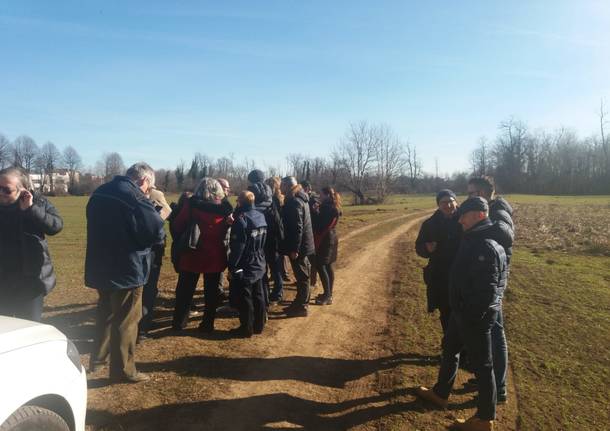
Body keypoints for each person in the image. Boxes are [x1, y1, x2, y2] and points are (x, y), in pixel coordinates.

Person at [416, 197, 508, 431]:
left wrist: (471, 317)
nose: (460, 221)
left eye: (463, 216)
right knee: (450, 349)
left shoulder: (485, 244)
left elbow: (487, 290)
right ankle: (441, 393)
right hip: (461, 311)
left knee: (483, 366)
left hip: (474, 317)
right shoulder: (473, 237)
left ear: (478, 215)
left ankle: (485, 419)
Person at [85, 163, 164, 383]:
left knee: (105, 314)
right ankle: (124, 370)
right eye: (150, 186)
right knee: (127, 320)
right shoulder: (136, 198)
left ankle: (97, 360)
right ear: (144, 181)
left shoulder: (100, 192)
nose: (148, 191)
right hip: (127, 267)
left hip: (100, 264)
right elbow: (156, 232)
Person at [467, 175, 514, 404]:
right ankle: (488, 379)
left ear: (486, 192)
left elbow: (506, 234)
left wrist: (477, 231)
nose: (471, 197)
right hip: (486, 276)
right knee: (490, 330)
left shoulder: (498, 209)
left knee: (495, 332)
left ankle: (500, 388)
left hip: (494, 280)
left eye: (474, 193)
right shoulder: (486, 209)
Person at [0, 167, 63, 322]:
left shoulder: (39, 203)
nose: (0, 193)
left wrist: (31, 209)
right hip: (3, 281)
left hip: (30, 281)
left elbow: (56, 226)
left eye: (6, 190)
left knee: (29, 327)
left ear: (24, 190)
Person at [171, 177, 233, 333]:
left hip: (192, 253)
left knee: (185, 292)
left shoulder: (191, 205)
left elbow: (178, 225)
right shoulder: (225, 209)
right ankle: (208, 323)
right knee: (211, 294)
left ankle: (179, 323)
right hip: (215, 254)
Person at [415, 189, 461, 333]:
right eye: (443, 203)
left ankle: (465, 350)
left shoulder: (466, 220)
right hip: (440, 277)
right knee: (446, 312)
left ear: (456, 202)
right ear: (438, 205)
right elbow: (419, 247)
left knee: (462, 313)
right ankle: (449, 349)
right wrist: (426, 248)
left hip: (463, 275)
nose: (447, 205)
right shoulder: (430, 224)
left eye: (450, 202)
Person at [228, 191, 267, 337]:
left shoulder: (241, 219)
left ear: (240, 202)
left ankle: (246, 328)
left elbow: (238, 246)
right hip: (259, 257)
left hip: (246, 260)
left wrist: (232, 265)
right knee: (258, 293)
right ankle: (259, 325)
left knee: (245, 296)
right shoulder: (260, 215)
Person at [138, 188, 172, 342]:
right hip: (152, 248)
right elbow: (168, 212)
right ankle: (142, 329)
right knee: (149, 288)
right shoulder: (156, 194)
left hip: (132, 249)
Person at [279, 176, 315, 317]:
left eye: (282, 185)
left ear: (288, 186)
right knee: (303, 275)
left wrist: (295, 249)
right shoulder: (301, 198)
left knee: (302, 276)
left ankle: (302, 306)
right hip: (305, 244)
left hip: (300, 246)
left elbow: (297, 227)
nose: (280, 188)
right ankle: (300, 302)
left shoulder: (294, 201)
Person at [312, 187, 341, 305]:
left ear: (327, 195)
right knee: (328, 266)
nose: (319, 197)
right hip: (332, 237)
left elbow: (319, 225)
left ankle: (327, 296)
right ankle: (328, 293)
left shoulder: (326, 208)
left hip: (325, 239)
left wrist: (314, 212)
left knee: (321, 265)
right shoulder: (334, 206)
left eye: (321, 194)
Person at [264, 176, 286, 302]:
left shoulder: (273, 200)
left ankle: (278, 292)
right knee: (276, 265)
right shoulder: (281, 198)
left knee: (274, 265)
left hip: (273, 237)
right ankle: (278, 290)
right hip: (277, 237)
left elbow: (276, 221)